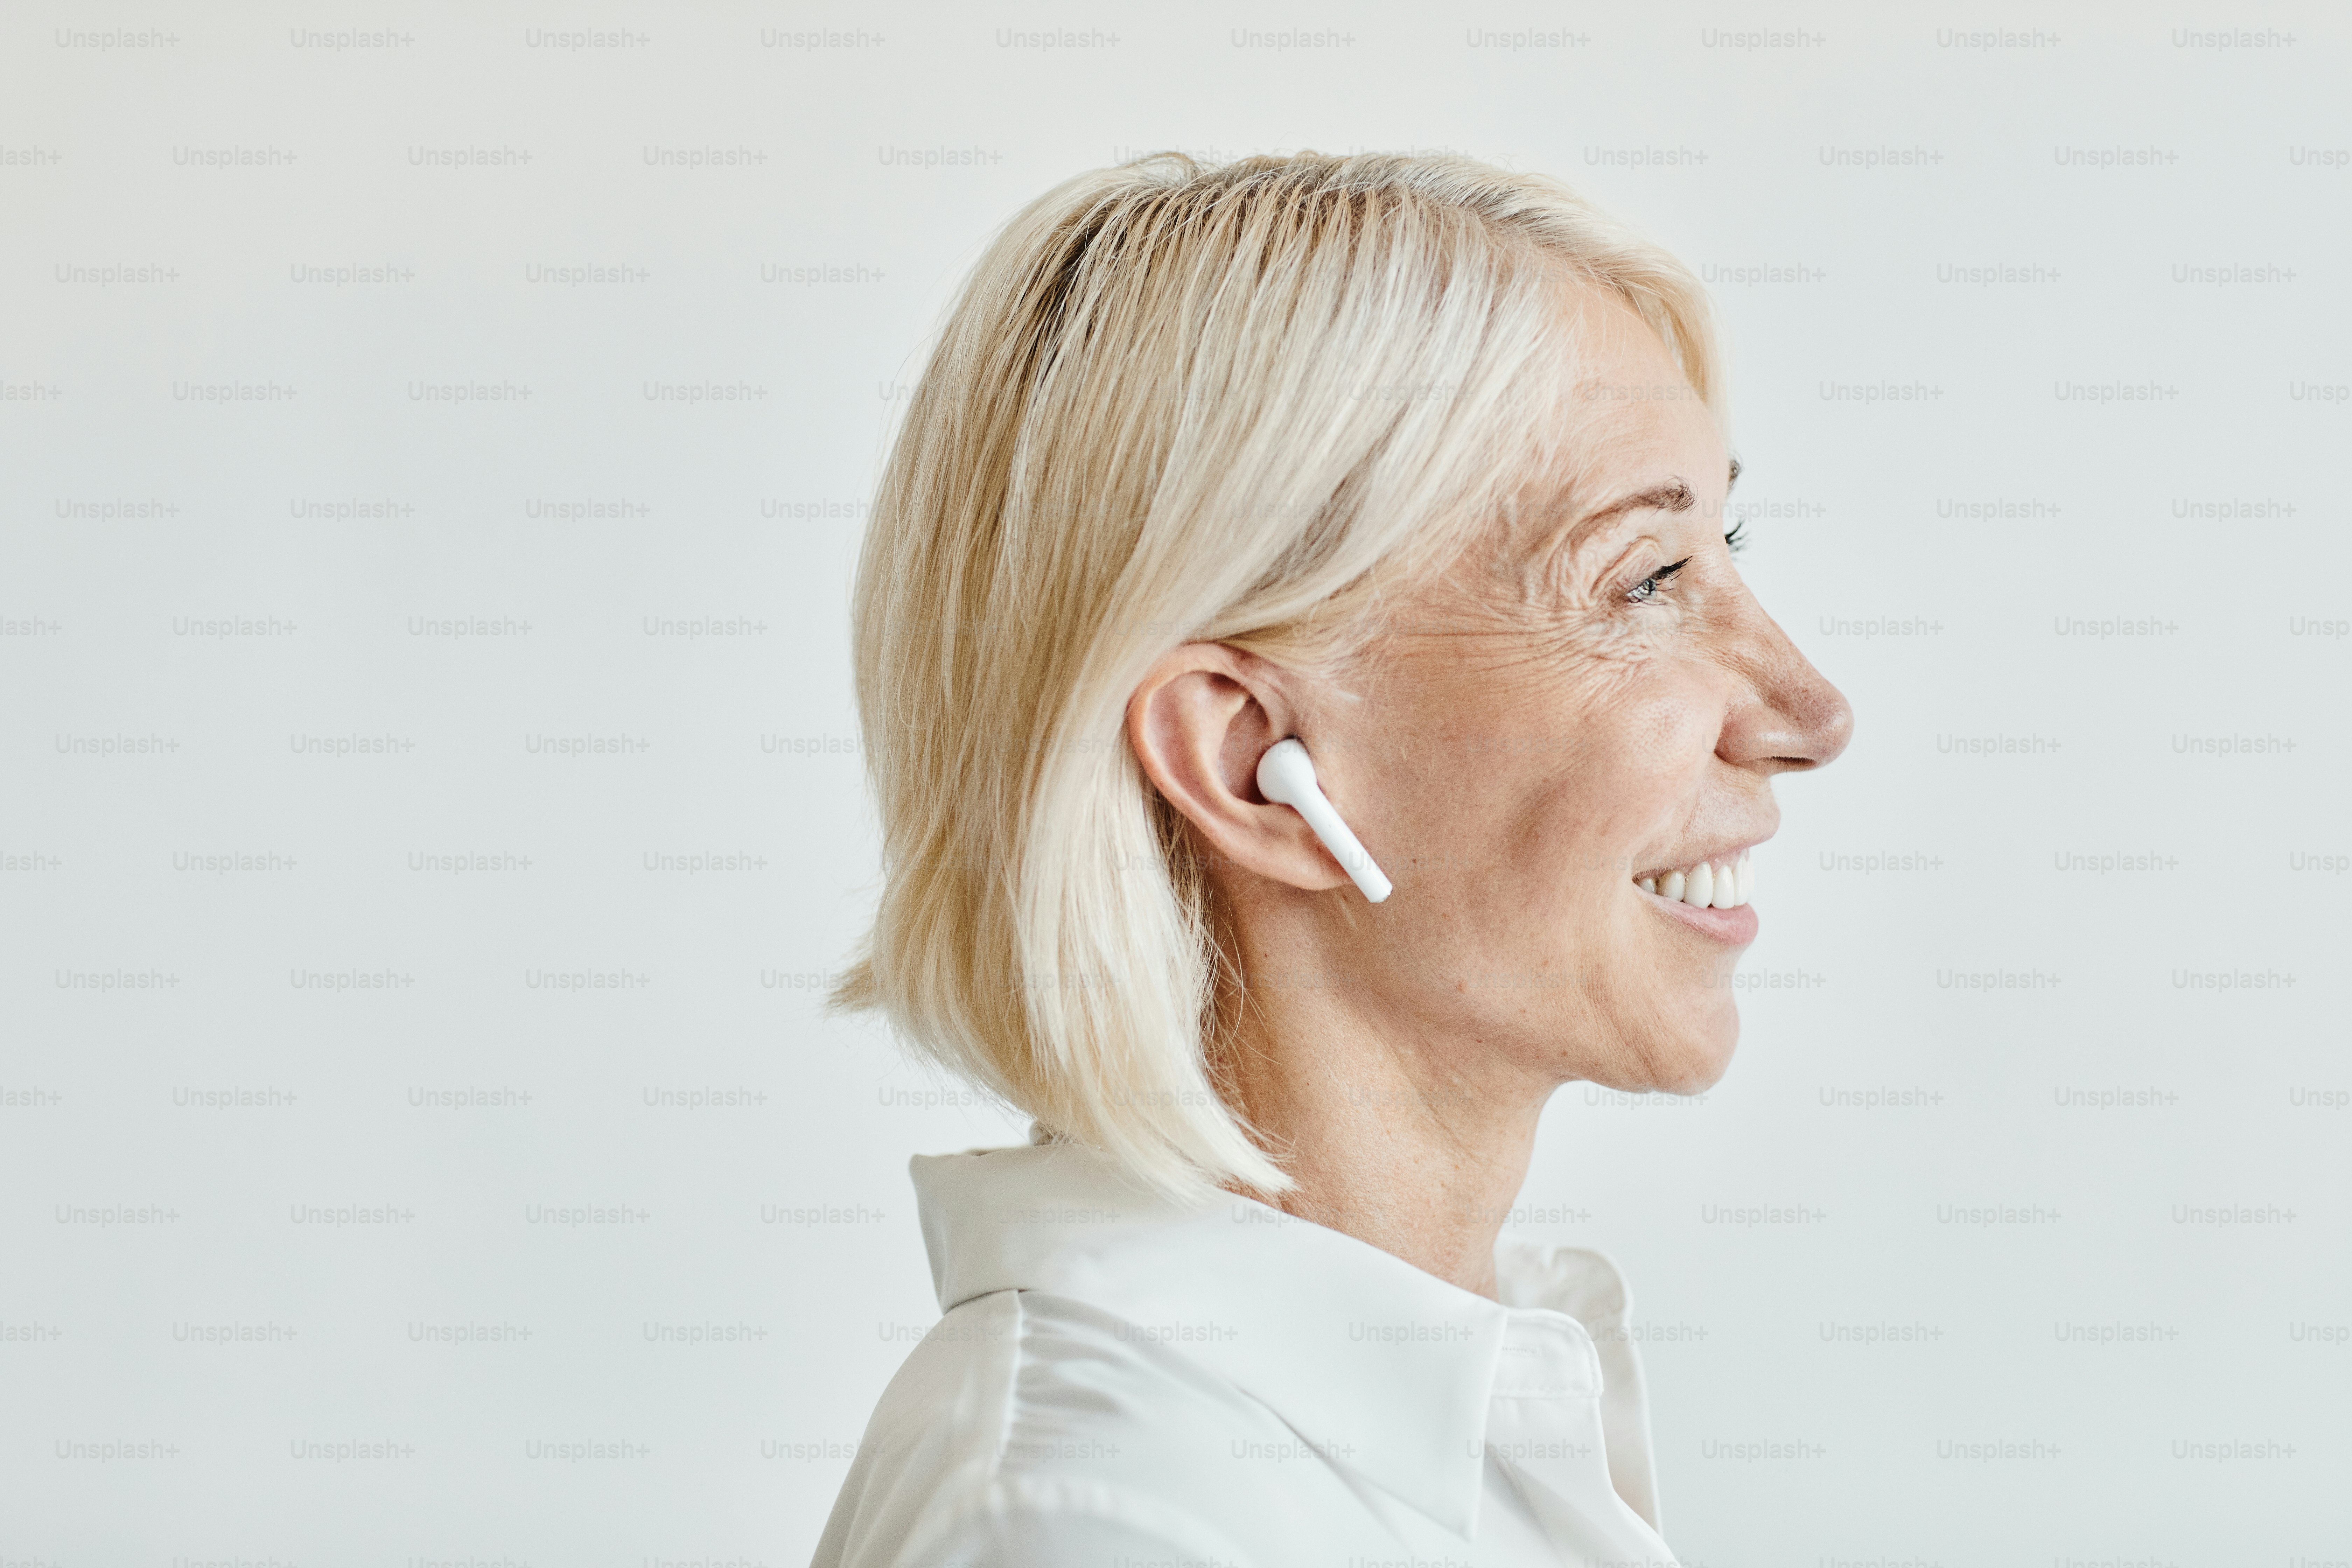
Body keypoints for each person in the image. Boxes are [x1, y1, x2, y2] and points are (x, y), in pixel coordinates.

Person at [813, 149, 1852, 1567]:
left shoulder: (1389, 1445)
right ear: (1257, 767)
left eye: (1722, 542)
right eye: (1650, 580)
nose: (1810, 713)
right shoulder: (1096, 1520)